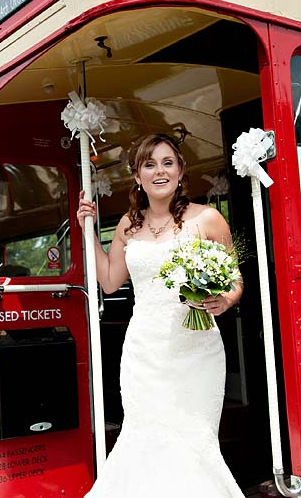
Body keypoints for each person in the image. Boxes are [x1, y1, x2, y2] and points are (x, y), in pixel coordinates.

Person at [77, 133, 244, 497]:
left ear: (181, 171)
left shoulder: (208, 219)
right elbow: (108, 282)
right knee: (143, 440)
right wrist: (88, 232)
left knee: (193, 445)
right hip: (144, 352)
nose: (159, 172)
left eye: (168, 163)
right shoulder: (127, 225)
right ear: (137, 176)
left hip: (196, 351)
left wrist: (225, 300)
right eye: (149, 165)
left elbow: (235, 280)